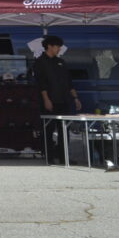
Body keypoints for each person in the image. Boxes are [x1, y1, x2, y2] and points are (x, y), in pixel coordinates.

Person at [33, 34, 81, 164]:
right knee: (48, 130)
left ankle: (64, 157)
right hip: (49, 100)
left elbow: (69, 82)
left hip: (64, 100)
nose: (59, 49)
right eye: (57, 46)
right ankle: (49, 157)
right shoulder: (40, 62)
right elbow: (41, 83)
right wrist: (46, 99)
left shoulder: (61, 62)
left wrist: (75, 98)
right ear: (49, 46)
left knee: (64, 130)